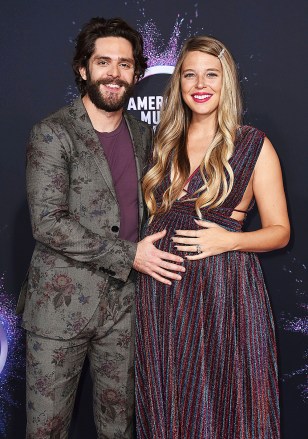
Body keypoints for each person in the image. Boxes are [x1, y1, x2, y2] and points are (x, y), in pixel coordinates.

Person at [16, 17, 184, 439]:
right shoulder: (53, 134)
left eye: (125, 65)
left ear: (136, 73)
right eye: (104, 62)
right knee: (46, 429)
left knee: (118, 428)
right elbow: (48, 223)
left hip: (125, 310)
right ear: (83, 69)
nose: (115, 73)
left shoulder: (145, 135)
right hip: (59, 311)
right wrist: (131, 255)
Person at [135, 35, 290, 438]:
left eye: (211, 75)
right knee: (171, 400)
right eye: (190, 75)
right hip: (161, 295)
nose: (200, 85)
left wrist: (230, 240)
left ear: (227, 82)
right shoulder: (162, 145)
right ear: (179, 83)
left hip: (223, 293)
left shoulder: (252, 144)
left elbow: (280, 231)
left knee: (224, 401)